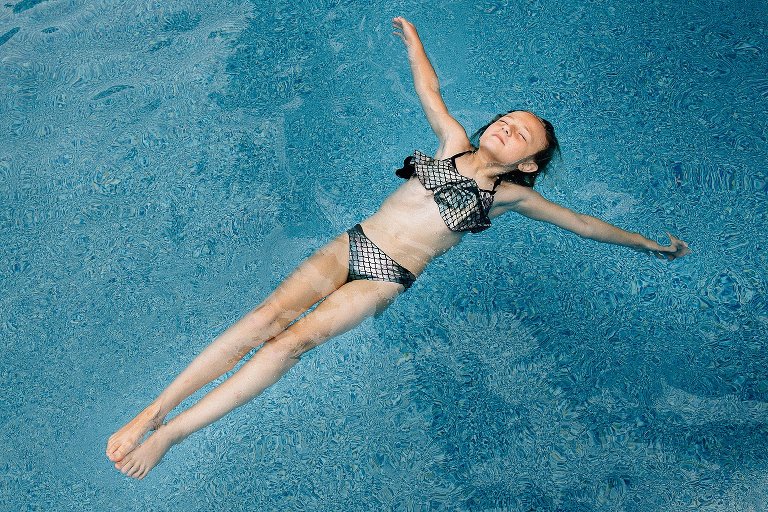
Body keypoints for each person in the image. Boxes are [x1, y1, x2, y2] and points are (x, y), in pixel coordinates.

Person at [106, 16, 691, 479]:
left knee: (293, 343)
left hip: (385, 276)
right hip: (351, 245)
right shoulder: (453, 143)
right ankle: (153, 412)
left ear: (528, 162)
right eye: (507, 120)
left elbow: (584, 224)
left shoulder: (510, 198)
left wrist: (646, 244)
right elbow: (429, 88)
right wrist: (414, 42)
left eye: (521, 135)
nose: (507, 129)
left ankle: (171, 437)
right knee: (264, 318)